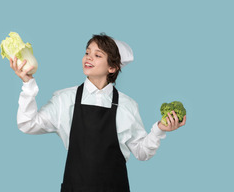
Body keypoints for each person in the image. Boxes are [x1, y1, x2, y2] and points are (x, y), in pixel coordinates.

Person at [10, 33, 186, 192]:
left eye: (97, 55)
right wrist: (28, 84)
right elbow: (28, 124)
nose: (88, 58)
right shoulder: (65, 99)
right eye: (87, 53)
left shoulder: (127, 105)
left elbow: (142, 152)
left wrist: (159, 129)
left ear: (112, 67)